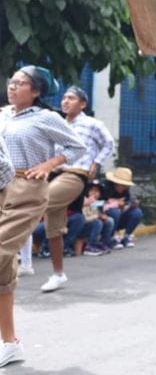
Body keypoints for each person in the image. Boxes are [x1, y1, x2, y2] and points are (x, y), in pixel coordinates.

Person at [0, 66, 86, 367]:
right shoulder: (2, 114)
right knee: (3, 269)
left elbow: (77, 146)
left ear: (36, 91)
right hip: (1, 186)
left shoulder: (45, 117)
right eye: (11, 82)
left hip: (27, 188)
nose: (12, 87)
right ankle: (9, 343)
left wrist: (50, 165)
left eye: (20, 83)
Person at [40, 85, 115, 292]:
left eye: (71, 98)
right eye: (64, 98)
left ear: (83, 104)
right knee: (53, 228)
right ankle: (58, 274)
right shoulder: (58, 124)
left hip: (75, 175)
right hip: (55, 174)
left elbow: (108, 144)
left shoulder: (92, 124)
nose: (65, 101)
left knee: (38, 200)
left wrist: (96, 163)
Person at [102, 168, 142, 247]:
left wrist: (131, 205)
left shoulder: (125, 191)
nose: (124, 187)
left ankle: (126, 236)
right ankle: (111, 237)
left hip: (121, 215)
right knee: (115, 212)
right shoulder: (104, 187)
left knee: (137, 212)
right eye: (122, 185)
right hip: (106, 215)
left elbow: (127, 201)